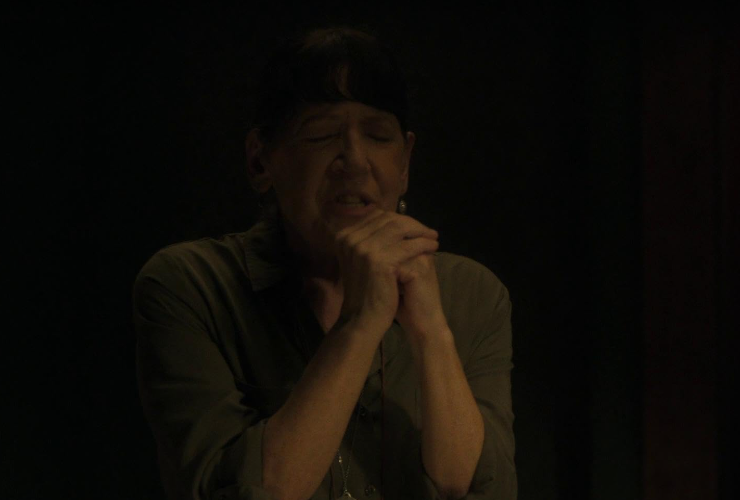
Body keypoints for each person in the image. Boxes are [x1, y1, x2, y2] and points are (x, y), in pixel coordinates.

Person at [132, 27, 516, 500]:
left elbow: (472, 486)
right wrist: (359, 323)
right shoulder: (190, 286)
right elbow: (244, 490)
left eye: (378, 136)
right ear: (260, 161)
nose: (354, 160)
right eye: (321, 135)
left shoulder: (473, 293)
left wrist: (432, 332)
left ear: (404, 164)